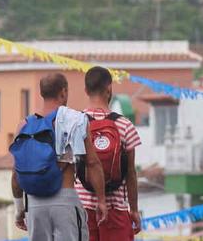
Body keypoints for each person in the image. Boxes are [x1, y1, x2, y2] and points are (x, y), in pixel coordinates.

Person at [15, 72, 106, 241]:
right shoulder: (75, 120)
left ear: (42, 93)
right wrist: (101, 200)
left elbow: (16, 173)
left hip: (34, 204)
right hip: (64, 199)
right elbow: (92, 163)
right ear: (63, 92)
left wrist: (19, 208)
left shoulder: (24, 125)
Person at [78, 67, 140, 241]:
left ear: (86, 90)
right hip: (116, 210)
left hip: (83, 211)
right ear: (109, 88)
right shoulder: (124, 125)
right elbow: (130, 173)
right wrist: (133, 210)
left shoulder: (76, 123)